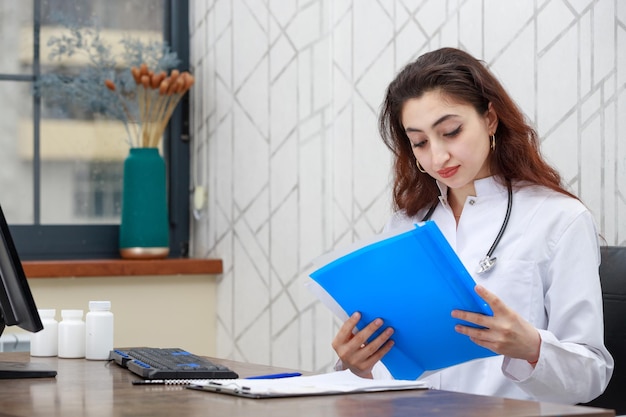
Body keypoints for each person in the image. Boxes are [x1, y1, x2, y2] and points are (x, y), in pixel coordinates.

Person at [331, 47, 613, 404]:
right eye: (419, 142)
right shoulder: (407, 224)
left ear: (490, 119)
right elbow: (395, 369)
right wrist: (356, 364)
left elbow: (589, 376)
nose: (437, 156)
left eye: (450, 131)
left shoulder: (559, 219)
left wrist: (531, 347)